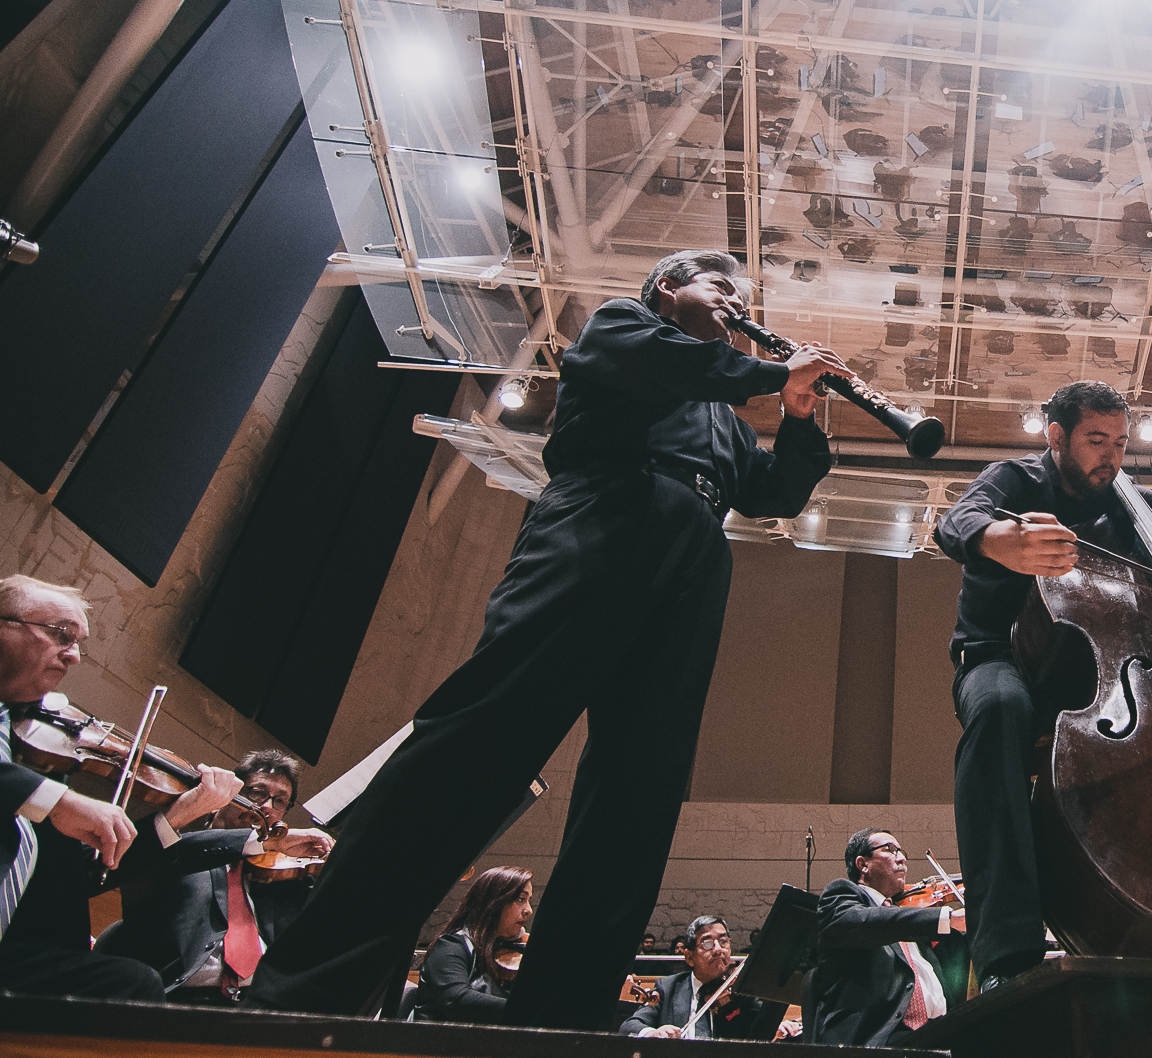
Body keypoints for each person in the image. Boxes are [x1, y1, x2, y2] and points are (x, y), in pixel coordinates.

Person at [249, 249, 850, 1030]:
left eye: (741, 293)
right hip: (600, 524)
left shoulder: (722, 419)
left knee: (639, 794)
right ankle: (309, 987)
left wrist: (799, 412)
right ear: (668, 289)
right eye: (718, 285)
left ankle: (566, 1017)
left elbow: (772, 494)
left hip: (694, 563)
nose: (736, 301)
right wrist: (769, 374)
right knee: (481, 741)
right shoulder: (623, 328)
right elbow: (660, 365)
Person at [934, 381, 1152, 989]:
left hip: (1099, 672)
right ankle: (1007, 953)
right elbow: (957, 521)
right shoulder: (1014, 481)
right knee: (999, 712)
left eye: (1119, 442)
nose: (1110, 456)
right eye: (1095, 440)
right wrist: (998, 540)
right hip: (1001, 656)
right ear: (1056, 435)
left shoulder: (1127, 497)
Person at [0, 575, 266, 1000]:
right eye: (61, 635)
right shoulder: (40, 786)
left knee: (132, 981)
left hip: (17, 949)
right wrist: (57, 801)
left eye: (79, 643)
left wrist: (180, 812)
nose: (74, 656)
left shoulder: (38, 754)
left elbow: (87, 875)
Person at [97, 749, 334, 1002]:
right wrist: (259, 842)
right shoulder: (174, 853)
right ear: (227, 795)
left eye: (280, 801)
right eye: (256, 793)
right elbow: (154, 853)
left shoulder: (278, 879)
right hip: (177, 999)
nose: (267, 807)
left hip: (254, 1007)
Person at [812, 829, 964, 1046]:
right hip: (876, 1040)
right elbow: (868, 922)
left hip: (941, 1036)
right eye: (890, 850)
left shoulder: (910, 918)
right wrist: (947, 917)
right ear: (862, 864)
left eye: (901, 851)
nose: (902, 858)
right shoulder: (840, 896)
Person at [621, 915, 792, 1040]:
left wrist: (775, 1024)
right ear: (689, 957)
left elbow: (760, 1029)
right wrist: (652, 1033)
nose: (718, 949)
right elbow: (630, 1025)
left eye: (723, 941)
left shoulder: (740, 993)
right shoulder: (668, 988)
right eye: (707, 943)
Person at [415, 866, 532, 1023]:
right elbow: (457, 1000)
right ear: (493, 902)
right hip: (441, 1043)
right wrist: (529, 1011)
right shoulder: (450, 946)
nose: (529, 910)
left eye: (528, 900)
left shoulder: (509, 950)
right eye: (520, 899)